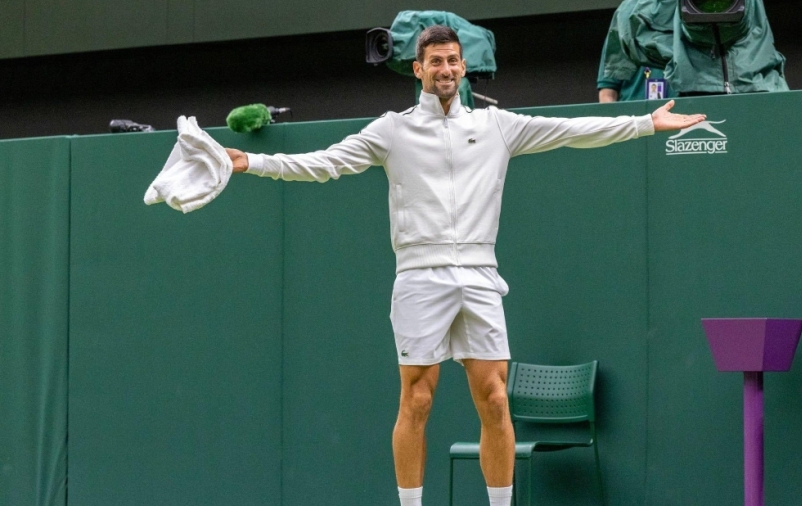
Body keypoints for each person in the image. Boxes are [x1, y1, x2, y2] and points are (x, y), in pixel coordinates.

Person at [226, 25, 704, 506]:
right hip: (418, 275)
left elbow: (570, 132)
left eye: (453, 60)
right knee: (417, 399)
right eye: (435, 62)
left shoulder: (496, 126)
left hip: (478, 275)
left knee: (495, 397)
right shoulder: (392, 129)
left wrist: (644, 122)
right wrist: (251, 160)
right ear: (418, 70)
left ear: (463, 66)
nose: (446, 69)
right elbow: (325, 162)